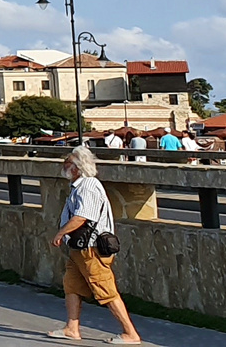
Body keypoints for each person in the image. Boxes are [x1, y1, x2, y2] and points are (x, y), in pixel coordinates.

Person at [46, 146, 142, 343]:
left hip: (91, 248)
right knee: (72, 285)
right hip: (79, 248)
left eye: (68, 162)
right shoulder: (78, 187)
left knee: (105, 289)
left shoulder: (88, 186)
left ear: (77, 168)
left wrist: (60, 233)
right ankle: (72, 328)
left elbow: (83, 216)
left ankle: (130, 333)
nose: (64, 165)